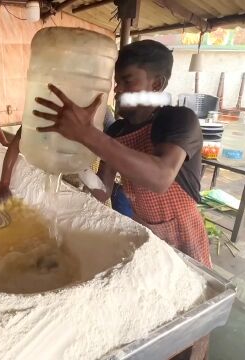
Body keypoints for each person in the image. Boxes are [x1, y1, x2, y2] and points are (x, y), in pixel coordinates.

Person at [32, 40, 211, 268]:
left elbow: (160, 177)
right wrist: (77, 160)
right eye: (117, 83)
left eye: (127, 81)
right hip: (144, 228)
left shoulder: (178, 120)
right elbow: (103, 191)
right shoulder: (118, 130)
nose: (117, 90)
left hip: (184, 233)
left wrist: (87, 134)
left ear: (157, 84)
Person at [0, 106, 134, 218]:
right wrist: (4, 184)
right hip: (59, 186)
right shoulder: (44, 109)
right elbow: (16, 144)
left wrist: (80, 166)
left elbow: (103, 188)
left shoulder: (100, 113)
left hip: (90, 189)